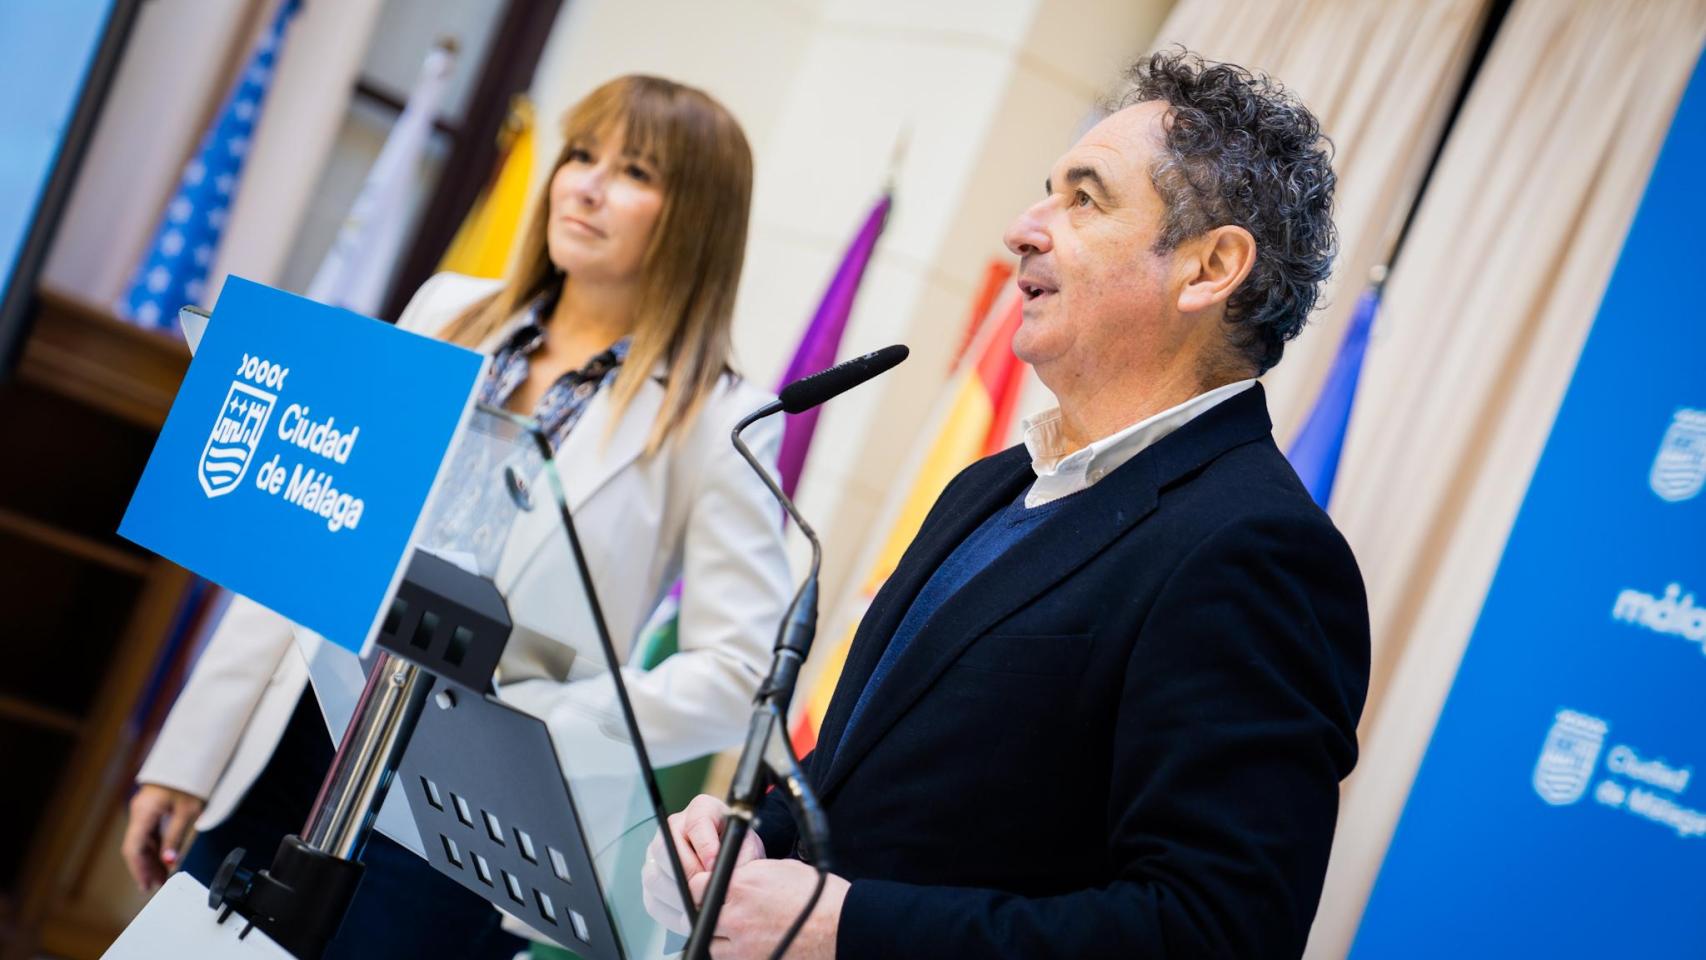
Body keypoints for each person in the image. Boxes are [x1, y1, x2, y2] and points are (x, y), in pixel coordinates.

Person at [645, 49, 1371, 960]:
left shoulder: (1257, 549)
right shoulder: (987, 488)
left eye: (1084, 198)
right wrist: (753, 842)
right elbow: (868, 788)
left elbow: (1211, 933)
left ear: (1208, 267)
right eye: (1046, 192)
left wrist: (841, 925)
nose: (1023, 229)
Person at [122, 75, 792, 958]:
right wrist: (190, 751)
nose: (585, 184)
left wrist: (546, 724)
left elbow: (738, 670)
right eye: (581, 154)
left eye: (633, 171)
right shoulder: (449, 311)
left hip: (468, 814)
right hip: (298, 744)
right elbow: (307, 529)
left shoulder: (720, 415)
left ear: (696, 217)